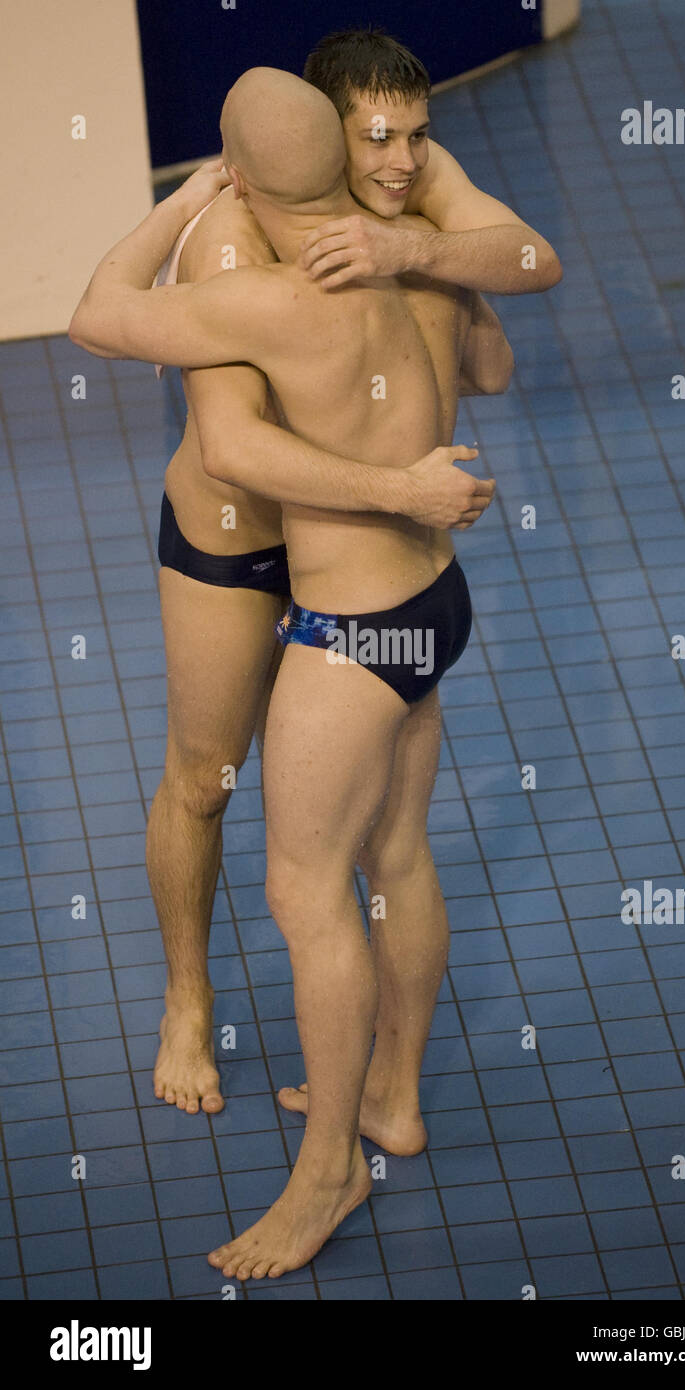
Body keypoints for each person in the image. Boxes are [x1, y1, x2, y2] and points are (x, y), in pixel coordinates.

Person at [70, 64, 517, 1278]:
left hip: (347, 628)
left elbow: (100, 318)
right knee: (394, 853)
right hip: (430, 601)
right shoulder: (414, 248)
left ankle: (328, 1176)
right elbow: (494, 357)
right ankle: (390, 1099)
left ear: (235, 169)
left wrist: (175, 203)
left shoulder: (260, 291)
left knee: (305, 891)